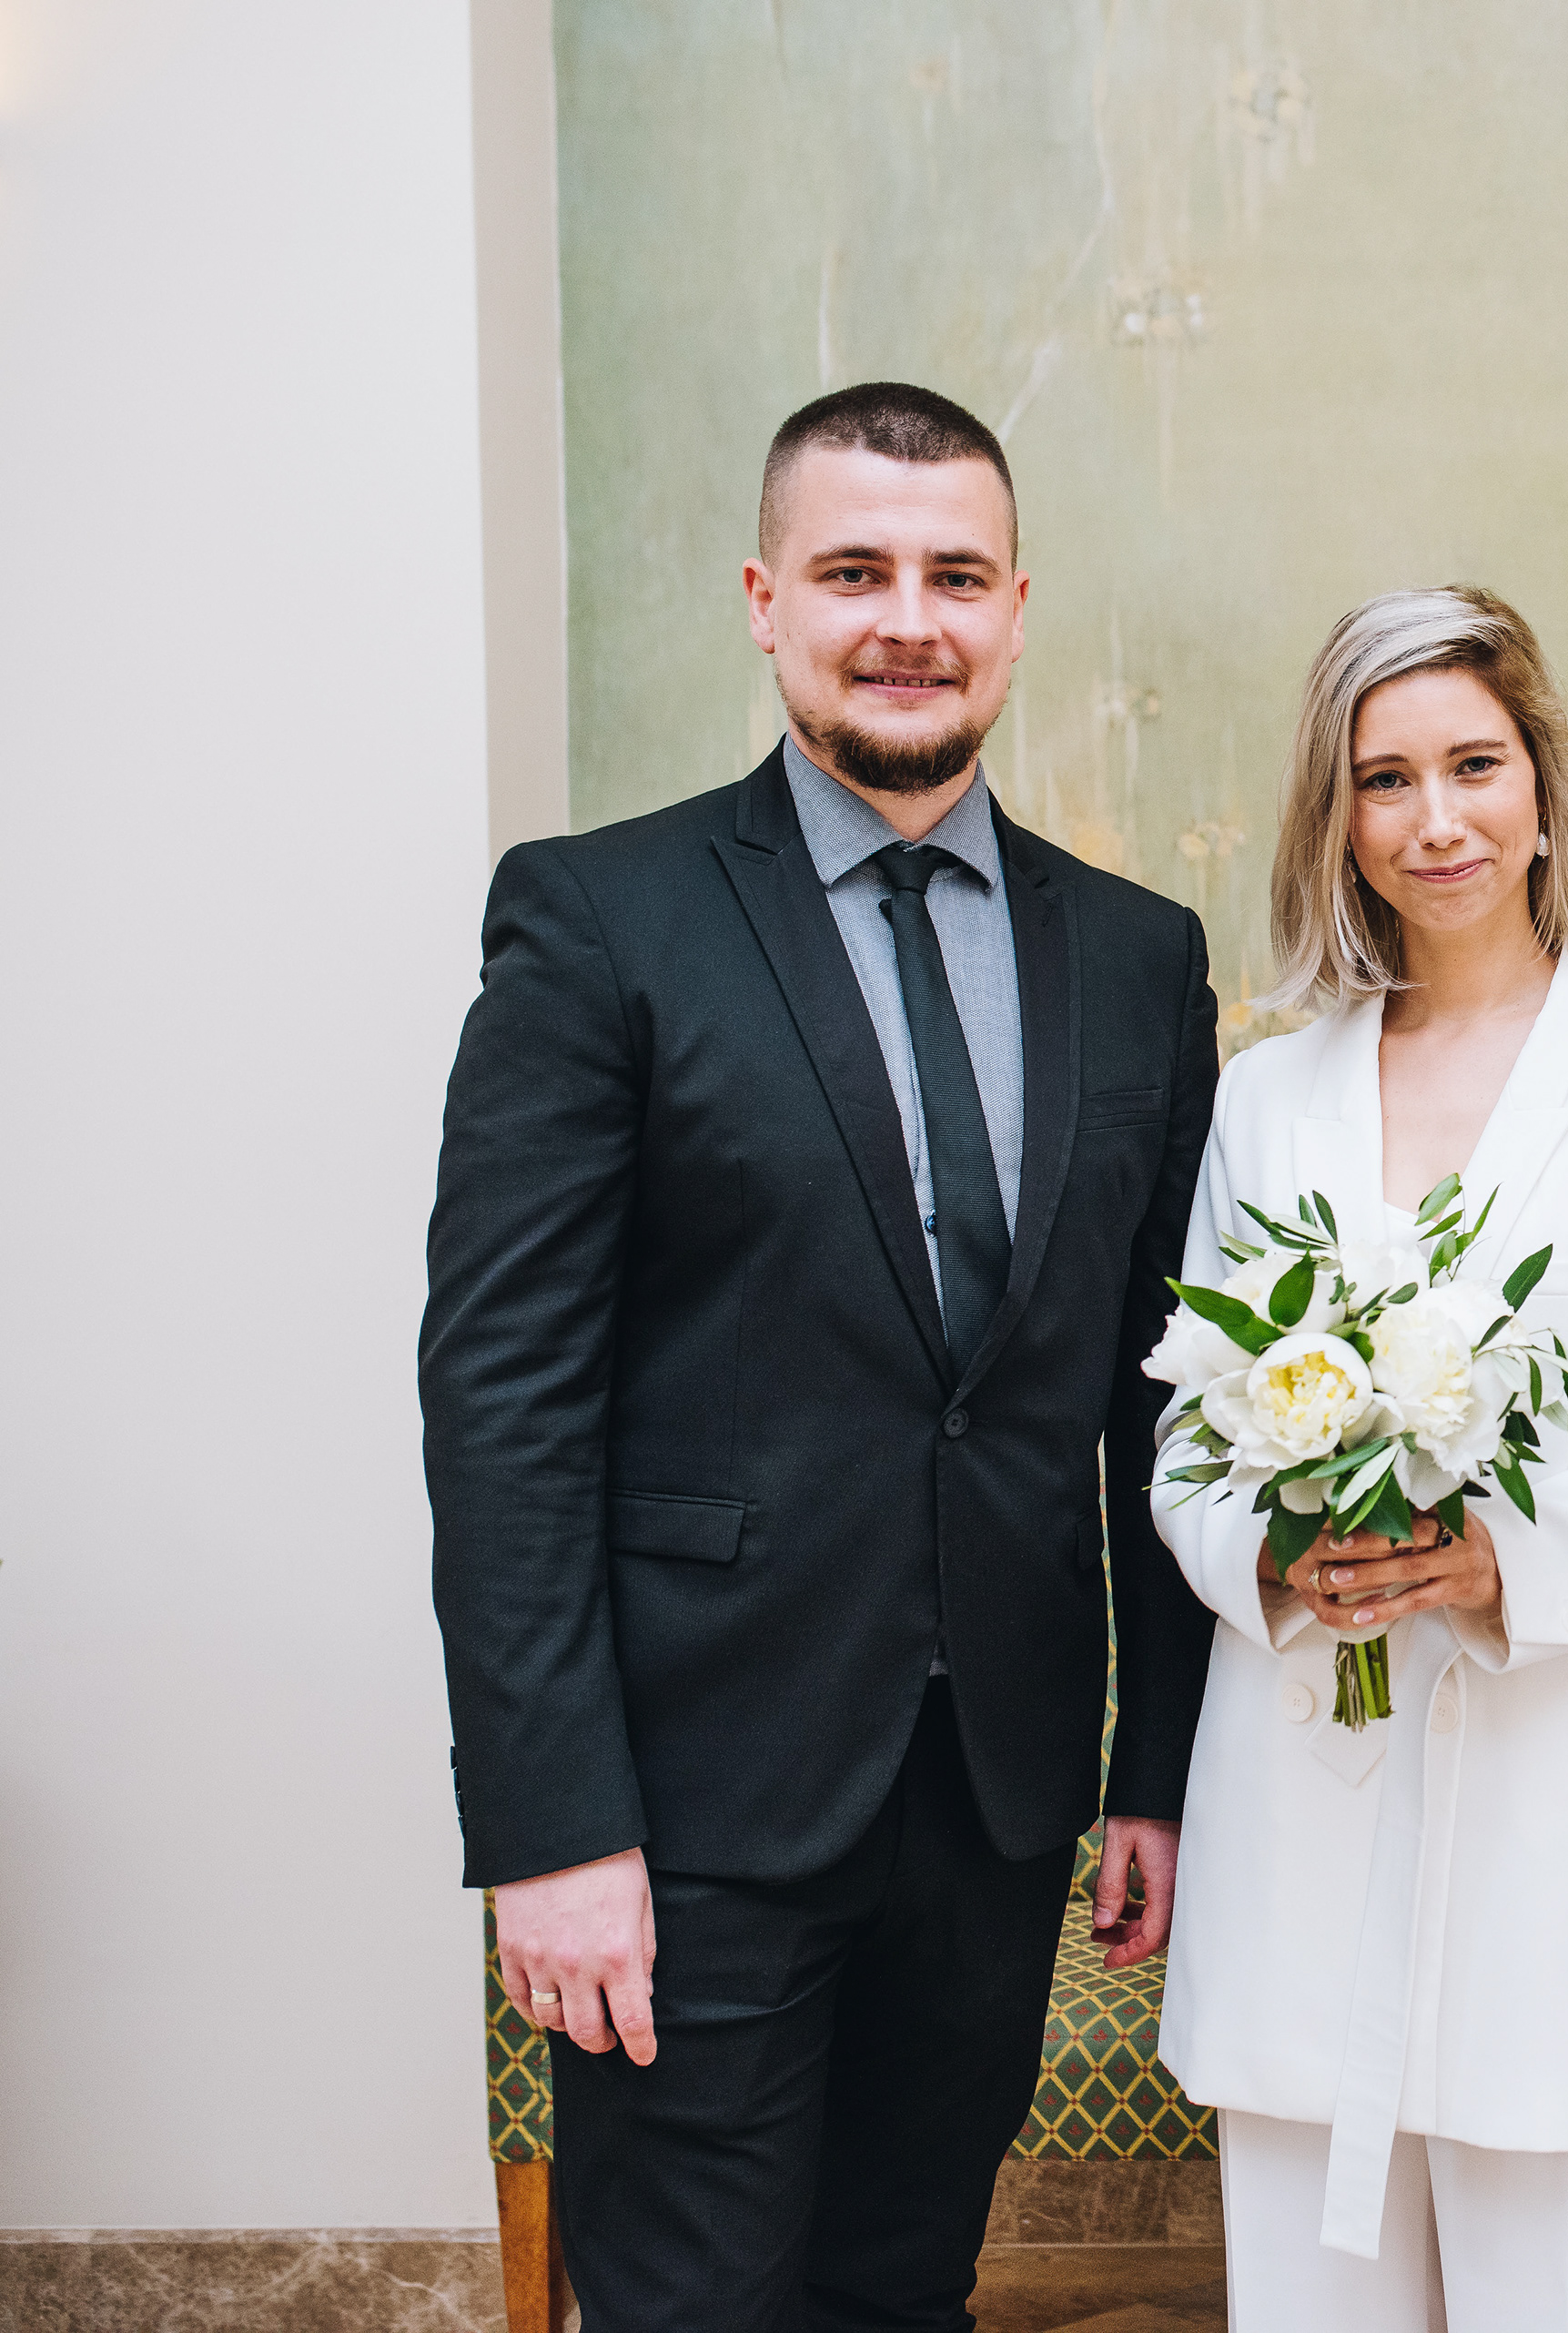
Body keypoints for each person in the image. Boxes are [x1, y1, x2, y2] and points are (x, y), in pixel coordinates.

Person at [422, 382, 1223, 2333]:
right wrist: (553, 1828)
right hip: (690, 1803)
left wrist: (1159, 1769)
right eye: (856, 571)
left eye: (955, 575)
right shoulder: (600, 919)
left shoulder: (1140, 957)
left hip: (999, 1795)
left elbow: (1167, 1405)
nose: (908, 620)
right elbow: (504, 1407)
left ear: (1017, 610)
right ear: (767, 600)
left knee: (904, 2291)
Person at [1148, 586, 1568, 2331]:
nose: (1435, 820)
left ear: (1541, 785)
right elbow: (1185, 1441)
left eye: (1474, 765)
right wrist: (1278, 1556)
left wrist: (1505, 1556)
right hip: (1306, 1812)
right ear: (1337, 819)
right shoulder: (1264, 1099)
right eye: (1385, 780)